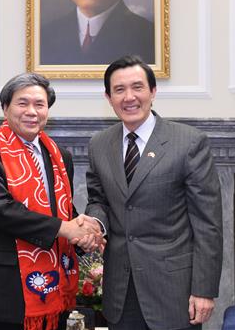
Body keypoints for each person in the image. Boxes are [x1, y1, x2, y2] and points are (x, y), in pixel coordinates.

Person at [84, 55, 223, 330]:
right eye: (119, 90)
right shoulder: (99, 144)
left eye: (137, 87)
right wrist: (95, 223)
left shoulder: (188, 142)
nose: (129, 97)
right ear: (109, 98)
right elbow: (98, 200)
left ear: (153, 92)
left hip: (173, 291)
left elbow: (208, 224)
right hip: (120, 291)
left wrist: (204, 289)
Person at [0, 73, 103, 330]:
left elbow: (63, 210)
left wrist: (84, 235)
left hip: (56, 284)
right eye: (22, 103)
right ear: (5, 108)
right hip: (6, 290)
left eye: (39, 104)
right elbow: (1, 210)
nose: (31, 111)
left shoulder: (60, 156)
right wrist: (65, 228)